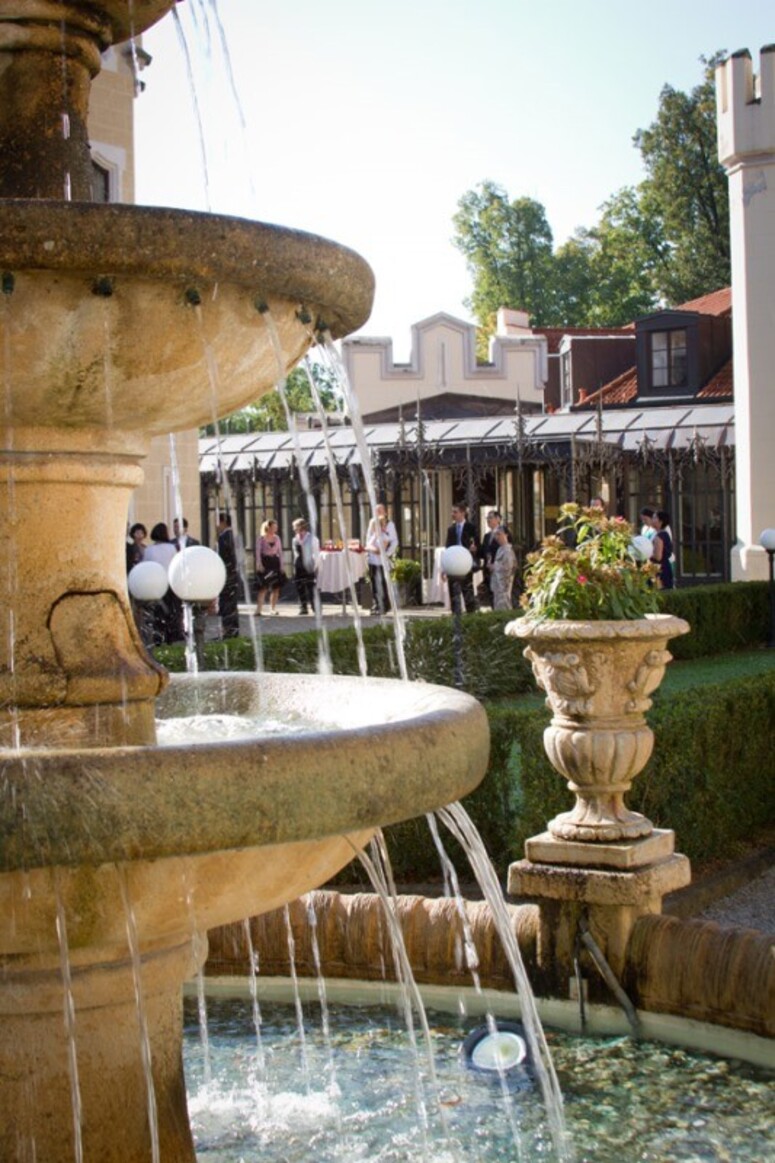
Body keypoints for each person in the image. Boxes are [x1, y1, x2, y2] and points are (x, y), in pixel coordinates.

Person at [143, 522, 180, 643]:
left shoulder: (149, 550)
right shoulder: (172, 548)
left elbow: (144, 567)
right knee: (171, 611)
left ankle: (158, 637)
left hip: (156, 584)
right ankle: (171, 637)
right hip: (170, 584)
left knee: (158, 612)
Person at [444, 503, 479, 614]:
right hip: (454, 564)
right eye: (452, 512)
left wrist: (475, 548)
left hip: (465, 563)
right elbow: (447, 547)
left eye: (455, 512)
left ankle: (471, 613)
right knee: (453, 590)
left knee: (467, 588)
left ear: (463, 513)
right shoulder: (451, 529)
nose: (453, 514)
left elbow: (477, 543)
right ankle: (455, 614)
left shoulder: (471, 527)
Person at [365, 503, 398, 615]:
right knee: (374, 582)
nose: (378, 513)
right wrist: (372, 550)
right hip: (373, 559)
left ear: (385, 512)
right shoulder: (372, 523)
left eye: (380, 511)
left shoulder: (390, 524)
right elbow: (368, 539)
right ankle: (376, 604)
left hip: (383, 560)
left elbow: (394, 541)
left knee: (383, 582)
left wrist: (386, 554)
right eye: (376, 511)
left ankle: (384, 605)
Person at [216, 512, 241, 638]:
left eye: (218, 522)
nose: (217, 526)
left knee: (226, 603)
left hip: (227, 574)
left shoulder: (223, 537)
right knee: (232, 603)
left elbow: (223, 557)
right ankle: (233, 630)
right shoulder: (236, 536)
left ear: (223, 522)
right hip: (234, 574)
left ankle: (227, 631)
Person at [255, 518, 285, 616]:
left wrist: (282, 565)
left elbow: (280, 552)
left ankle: (273, 609)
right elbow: (258, 552)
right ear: (268, 527)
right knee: (263, 588)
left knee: (276, 588)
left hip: (275, 563)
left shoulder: (277, 538)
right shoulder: (261, 538)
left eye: (276, 527)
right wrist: (259, 564)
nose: (275, 528)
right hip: (265, 563)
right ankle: (258, 610)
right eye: (274, 527)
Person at [291, 518, 319, 615]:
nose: (294, 528)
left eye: (295, 526)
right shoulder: (295, 539)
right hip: (298, 565)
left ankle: (315, 607)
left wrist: (316, 566)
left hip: (309, 564)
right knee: (299, 587)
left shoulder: (313, 538)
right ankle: (303, 607)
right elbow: (295, 554)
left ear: (301, 526)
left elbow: (316, 553)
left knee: (311, 587)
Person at [478, 509, 502, 606]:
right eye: (487, 518)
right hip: (487, 568)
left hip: (499, 568)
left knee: (499, 593)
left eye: (490, 518)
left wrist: (495, 564)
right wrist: (476, 550)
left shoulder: (503, 532)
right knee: (490, 592)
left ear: (498, 519)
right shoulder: (487, 536)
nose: (488, 520)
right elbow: (483, 552)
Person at [490, 526, 517, 610]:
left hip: (504, 586)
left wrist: (495, 566)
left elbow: (508, 567)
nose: (497, 537)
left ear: (506, 535)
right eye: (495, 535)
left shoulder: (508, 550)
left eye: (499, 534)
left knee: (504, 605)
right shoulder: (499, 549)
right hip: (497, 585)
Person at [652, 510, 674, 589]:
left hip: (660, 569)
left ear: (660, 521)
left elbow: (658, 556)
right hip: (664, 567)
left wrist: (647, 554)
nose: (652, 519)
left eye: (654, 518)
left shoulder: (660, 536)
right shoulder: (663, 534)